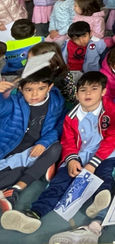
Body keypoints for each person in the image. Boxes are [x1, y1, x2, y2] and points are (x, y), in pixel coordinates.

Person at [1, 72, 115, 239]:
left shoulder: (111, 109)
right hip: (79, 153)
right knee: (58, 183)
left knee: (105, 173)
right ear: (76, 94)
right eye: (83, 90)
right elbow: (67, 142)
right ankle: (33, 213)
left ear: (103, 92)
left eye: (94, 89)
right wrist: (72, 160)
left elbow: (113, 138)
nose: (88, 94)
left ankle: (100, 197)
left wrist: (92, 164)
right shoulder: (70, 116)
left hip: (107, 152)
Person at [0, 59, 65, 213]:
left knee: (56, 147)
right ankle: (39, 168)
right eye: (29, 89)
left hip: (35, 149)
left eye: (41, 88)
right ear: (21, 89)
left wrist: (44, 142)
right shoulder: (14, 102)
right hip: (9, 151)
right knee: (12, 172)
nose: (35, 94)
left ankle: (16, 188)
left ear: (49, 87)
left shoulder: (57, 102)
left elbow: (59, 126)